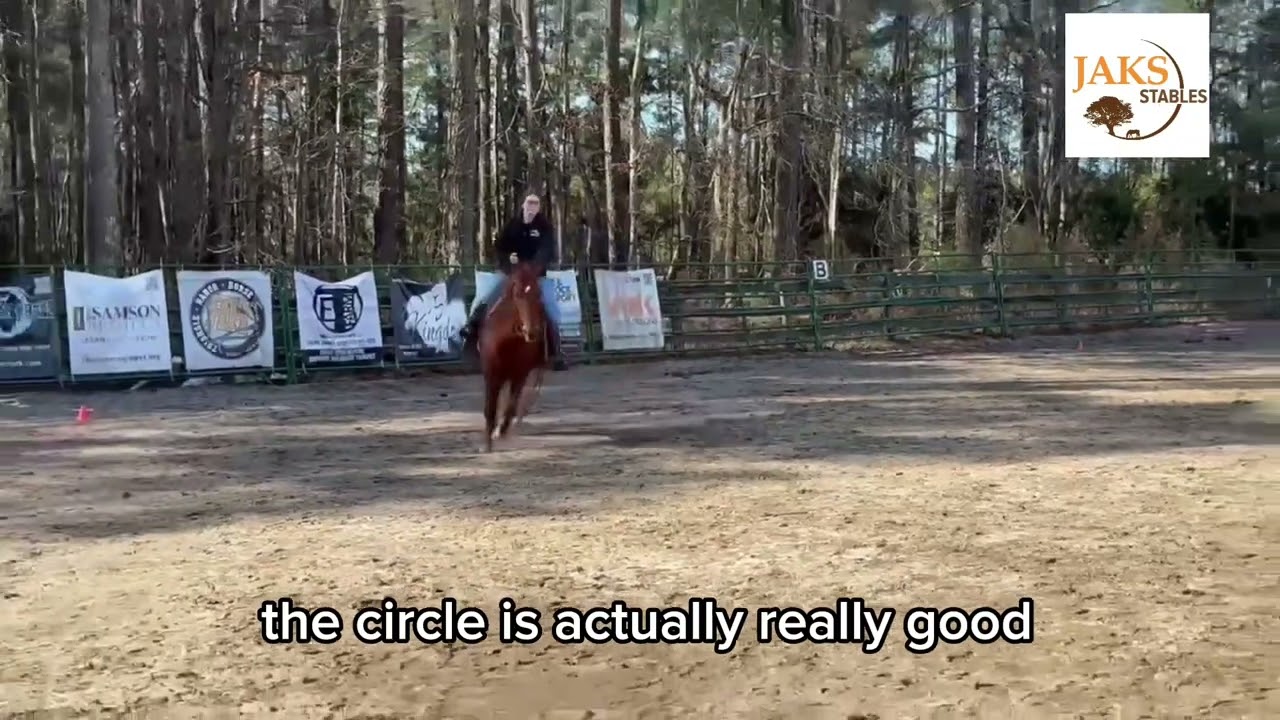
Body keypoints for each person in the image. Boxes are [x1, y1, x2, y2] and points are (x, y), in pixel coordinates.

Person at [461, 193, 569, 371]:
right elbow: (500, 247)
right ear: (523, 205)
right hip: (511, 273)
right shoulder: (513, 225)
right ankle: (471, 332)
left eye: (535, 204)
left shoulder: (544, 227)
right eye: (529, 203)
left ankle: (556, 351)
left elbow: (547, 250)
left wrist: (535, 266)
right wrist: (507, 258)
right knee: (488, 295)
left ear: (539, 208)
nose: (532, 207)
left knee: (551, 306)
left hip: (536, 275)